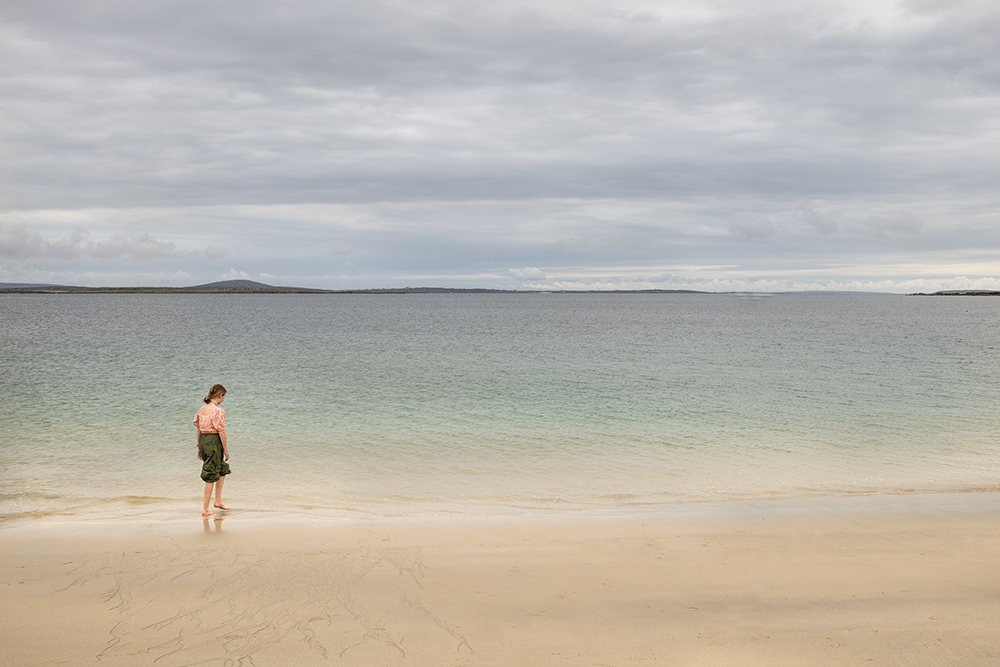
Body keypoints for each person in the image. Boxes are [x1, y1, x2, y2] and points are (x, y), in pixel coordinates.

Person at [194, 384, 231, 516]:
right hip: (213, 442)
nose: (223, 400)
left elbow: (198, 429)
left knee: (221, 469)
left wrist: (199, 447)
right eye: (223, 397)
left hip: (204, 441)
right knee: (210, 475)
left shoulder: (201, 409)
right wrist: (225, 450)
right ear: (220, 395)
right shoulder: (218, 411)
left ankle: (218, 501)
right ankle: (205, 509)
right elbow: (221, 432)